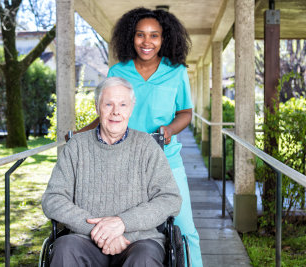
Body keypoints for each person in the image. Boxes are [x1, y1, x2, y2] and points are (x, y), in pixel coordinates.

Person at [76, 7, 203, 267]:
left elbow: (186, 113)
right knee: (127, 225)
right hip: (124, 161)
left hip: (166, 159)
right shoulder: (117, 71)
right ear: (130, 38)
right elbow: (108, 113)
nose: (147, 42)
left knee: (186, 229)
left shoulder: (176, 72)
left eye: (154, 35)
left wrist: (169, 129)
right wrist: (79, 134)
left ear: (164, 38)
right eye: (140, 35)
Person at [42, 77, 182, 266]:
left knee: (145, 258)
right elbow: (53, 199)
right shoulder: (76, 146)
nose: (116, 112)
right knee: (65, 249)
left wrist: (123, 223)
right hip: (85, 240)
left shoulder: (147, 147)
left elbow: (170, 198)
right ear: (97, 107)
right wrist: (98, 231)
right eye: (108, 104)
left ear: (131, 109)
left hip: (138, 242)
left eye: (123, 104)